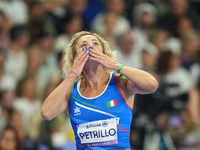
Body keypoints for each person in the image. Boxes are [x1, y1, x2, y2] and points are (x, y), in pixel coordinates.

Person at [41, 31, 158, 149]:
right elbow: (46, 113)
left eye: (95, 43)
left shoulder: (120, 82)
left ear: (103, 52)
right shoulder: (71, 91)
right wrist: (72, 75)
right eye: (83, 45)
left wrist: (114, 65)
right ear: (76, 57)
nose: (90, 47)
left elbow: (152, 84)